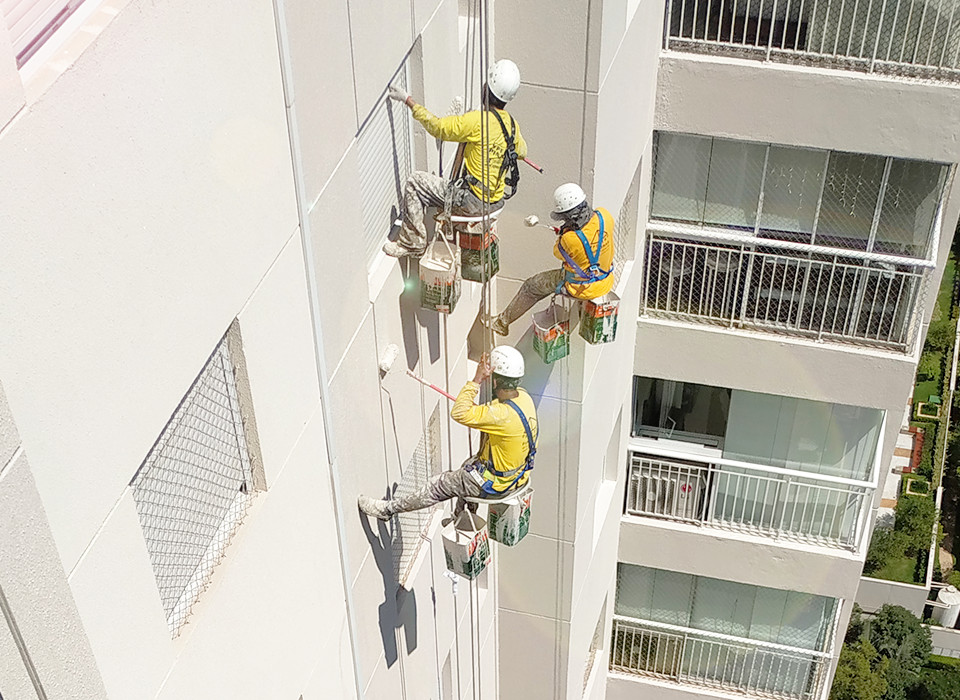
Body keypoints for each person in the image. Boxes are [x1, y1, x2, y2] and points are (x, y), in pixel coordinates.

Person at [358, 346, 538, 520]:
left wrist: (477, 380)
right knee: (467, 467)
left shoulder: (499, 415)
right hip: (516, 478)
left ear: (496, 380)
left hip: (495, 484)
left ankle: (387, 510)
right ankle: (462, 517)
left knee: (440, 484)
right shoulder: (524, 398)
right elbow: (498, 416)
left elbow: (459, 412)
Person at [381, 59, 528, 259]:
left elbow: (438, 128)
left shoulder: (477, 121)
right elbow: (522, 152)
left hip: (473, 201)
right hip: (494, 202)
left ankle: (412, 242)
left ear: (487, 88)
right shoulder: (512, 126)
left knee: (415, 182)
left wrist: (408, 100)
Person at [487, 183, 615, 336]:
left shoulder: (568, 239)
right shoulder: (605, 216)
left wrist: (564, 233)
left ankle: (501, 323)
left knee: (531, 286)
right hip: (605, 279)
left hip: (581, 286)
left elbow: (559, 253)